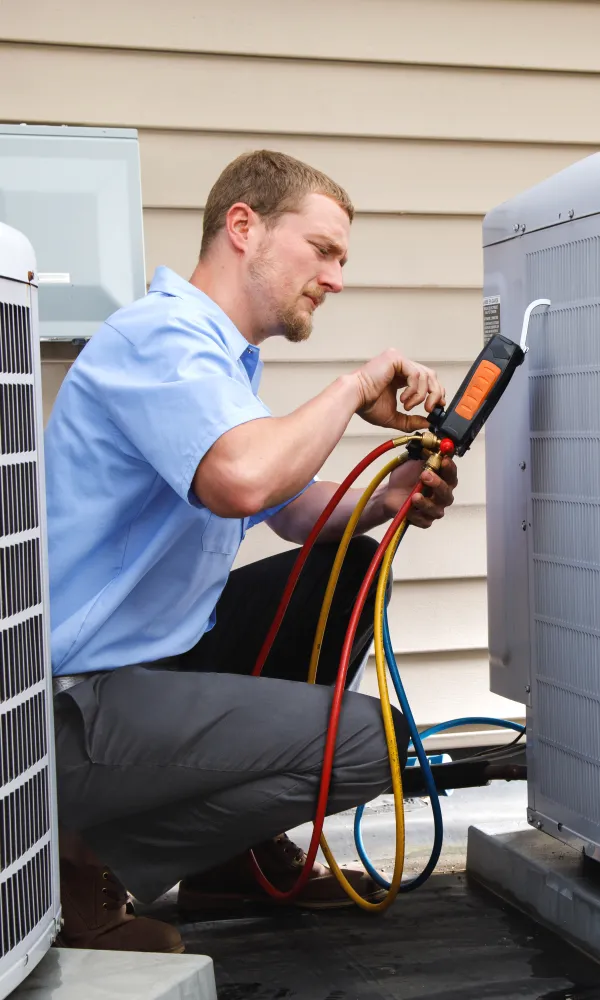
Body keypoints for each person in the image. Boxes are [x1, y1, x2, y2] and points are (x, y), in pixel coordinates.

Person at [46, 150, 457, 954]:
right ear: (245, 227)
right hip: (69, 707)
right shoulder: (161, 339)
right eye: (324, 250)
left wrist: (386, 497)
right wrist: (349, 387)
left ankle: (225, 859)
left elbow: (289, 508)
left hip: (147, 667)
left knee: (341, 578)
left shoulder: (216, 355)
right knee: (376, 746)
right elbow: (242, 480)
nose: (335, 278)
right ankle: (82, 872)